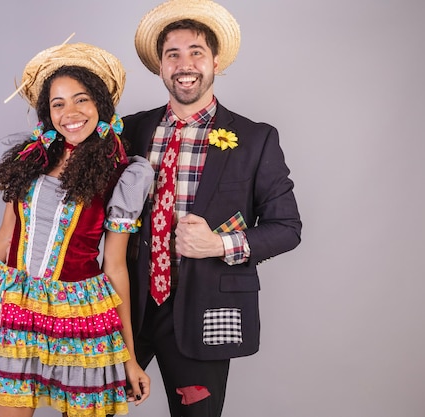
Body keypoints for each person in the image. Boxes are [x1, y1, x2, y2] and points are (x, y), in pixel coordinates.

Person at [0, 42, 153, 417]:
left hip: (81, 314)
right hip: (18, 307)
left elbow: (115, 267)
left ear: (101, 106)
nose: (70, 113)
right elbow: (4, 239)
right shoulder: (28, 158)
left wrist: (129, 358)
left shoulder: (121, 173)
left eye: (82, 100)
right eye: (58, 104)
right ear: (47, 112)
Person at [122, 1, 302, 416]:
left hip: (203, 307)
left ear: (215, 61)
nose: (185, 64)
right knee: (87, 408)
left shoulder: (256, 139)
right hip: (127, 304)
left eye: (196, 52)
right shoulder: (132, 130)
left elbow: (287, 228)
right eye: (173, 54)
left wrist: (219, 245)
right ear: (161, 66)